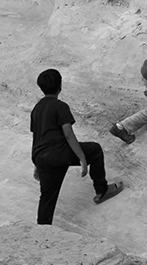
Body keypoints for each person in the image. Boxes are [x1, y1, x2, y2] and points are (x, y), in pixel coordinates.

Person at [30, 68, 121, 223]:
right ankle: (102, 190)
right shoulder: (60, 106)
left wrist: (38, 165)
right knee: (95, 150)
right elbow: (68, 134)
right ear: (60, 86)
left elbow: (38, 137)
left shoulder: (36, 109)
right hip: (58, 152)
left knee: (47, 197)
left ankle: (42, 228)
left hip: (41, 157)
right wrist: (82, 158)